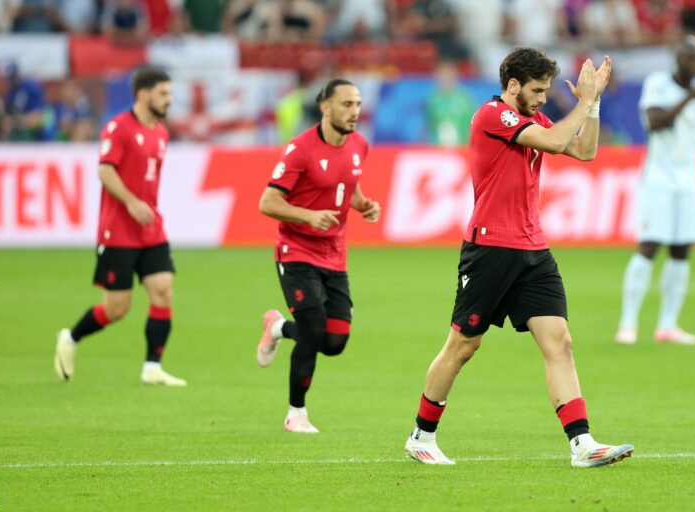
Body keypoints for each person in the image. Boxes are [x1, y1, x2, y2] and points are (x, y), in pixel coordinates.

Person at [403, 47, 634, 467]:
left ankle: (581, 444)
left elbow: (584, 151)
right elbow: (557, 140)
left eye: (546, 91)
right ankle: (422, 435)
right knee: (463, 345)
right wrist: (583, 99)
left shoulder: (533, 118)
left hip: (533, 249)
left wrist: (594, 103)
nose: (544, 98)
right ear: (513, 86)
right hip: (491, 248)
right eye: (538, 90)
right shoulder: (493, 115)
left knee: (560, 341)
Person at [256, 79, 380, 433]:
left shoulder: (359, 145)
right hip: (296, 250)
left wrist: (363, 205)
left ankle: (278, 327)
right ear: (325, 107)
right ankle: (296, 413)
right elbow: (268, 202)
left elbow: (347, 184)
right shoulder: (300, 149)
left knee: (335, 342)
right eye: (346, 104)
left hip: (334, 253)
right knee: (312, 330)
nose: (354, 112)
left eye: (357, 104)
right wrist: (308, 216)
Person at [54, 68, 186, 387]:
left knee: (163, 290)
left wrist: (144, 207)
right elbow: (104, 170)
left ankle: (152, 367)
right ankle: (71, 337)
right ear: (143, 94)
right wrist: (131, 202)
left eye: (169, 93)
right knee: (117, 308)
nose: (169, 99)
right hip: (118, 231)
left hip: (150, 228)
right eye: (163, 93)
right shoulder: (118, 127)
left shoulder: (161, 133)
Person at [615, 36, 695, 346]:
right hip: (658, 178)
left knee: (681, 250)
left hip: (688, 181)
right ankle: (628, 323)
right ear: (677, 60)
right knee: (649, 246)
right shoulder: (658, 84)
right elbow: (656, 122)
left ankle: (667, 325)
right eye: (689, 59)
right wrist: (689, 97)